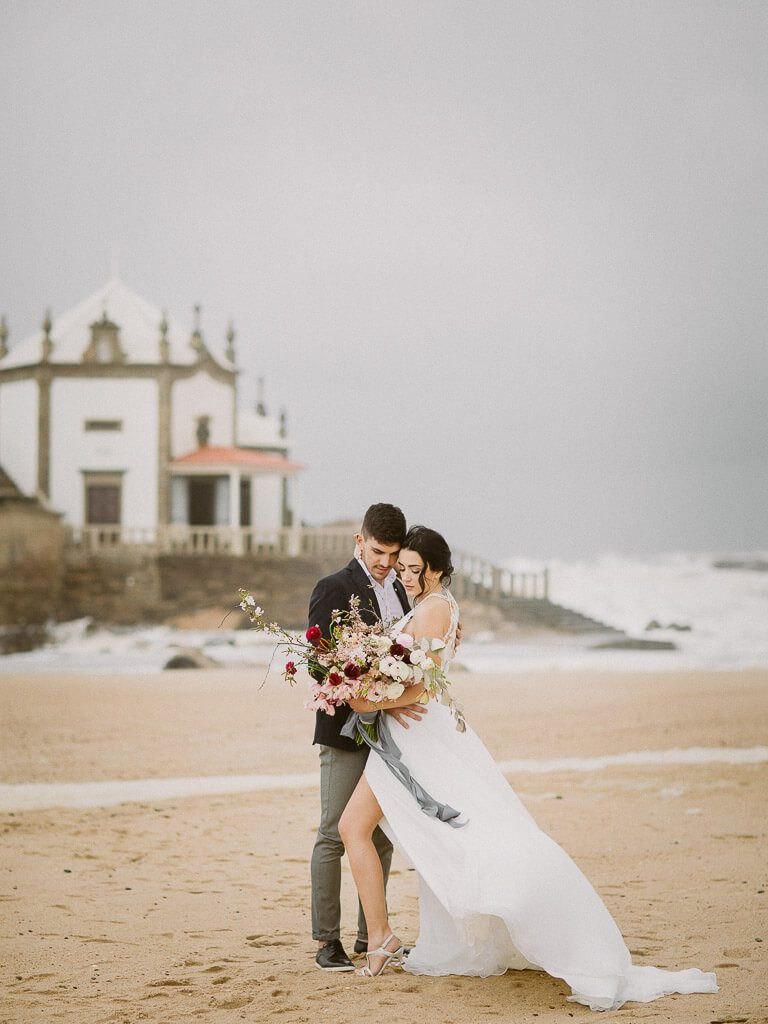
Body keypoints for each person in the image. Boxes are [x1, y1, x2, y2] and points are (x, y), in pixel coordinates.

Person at [338, 525, 718, 1011]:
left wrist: (369, 698)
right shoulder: (432, 607)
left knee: (381, 829)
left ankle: (382, 940)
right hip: (410, 736)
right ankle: (383, 937)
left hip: (417, 737)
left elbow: (426, 686)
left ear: (437, 570)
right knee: (390, 830)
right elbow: (414, 674)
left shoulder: (434, 609)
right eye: (404, 567)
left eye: (416, 569)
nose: (407, 576)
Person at [307, 502, 424, 972]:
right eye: (379, 552)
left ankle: (370, 936)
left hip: (392, 730)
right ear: (360, 541)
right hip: (344, 731)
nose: (387, 563)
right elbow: (319, 663)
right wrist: (363, 685)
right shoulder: (332, 588)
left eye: (394, 555)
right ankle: (326, 940)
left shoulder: (401, 590)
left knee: (380, 837)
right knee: (334, 831)